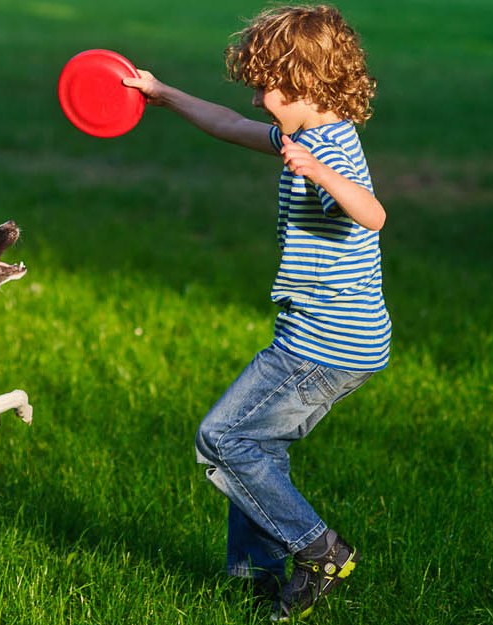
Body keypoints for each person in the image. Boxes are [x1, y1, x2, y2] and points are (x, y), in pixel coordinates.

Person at [123, 4, 391, 620]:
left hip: (326, 345)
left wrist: (321, 172)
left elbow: (373, 214)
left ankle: (319, 549)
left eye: (273, 87)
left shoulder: (332, 152)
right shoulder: (304, 133)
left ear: (312, 86)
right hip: (326, 336)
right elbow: (224, 123)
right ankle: (256, 577)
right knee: (258, 447)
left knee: (222, 438)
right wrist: (162, 93)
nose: (260, 100)